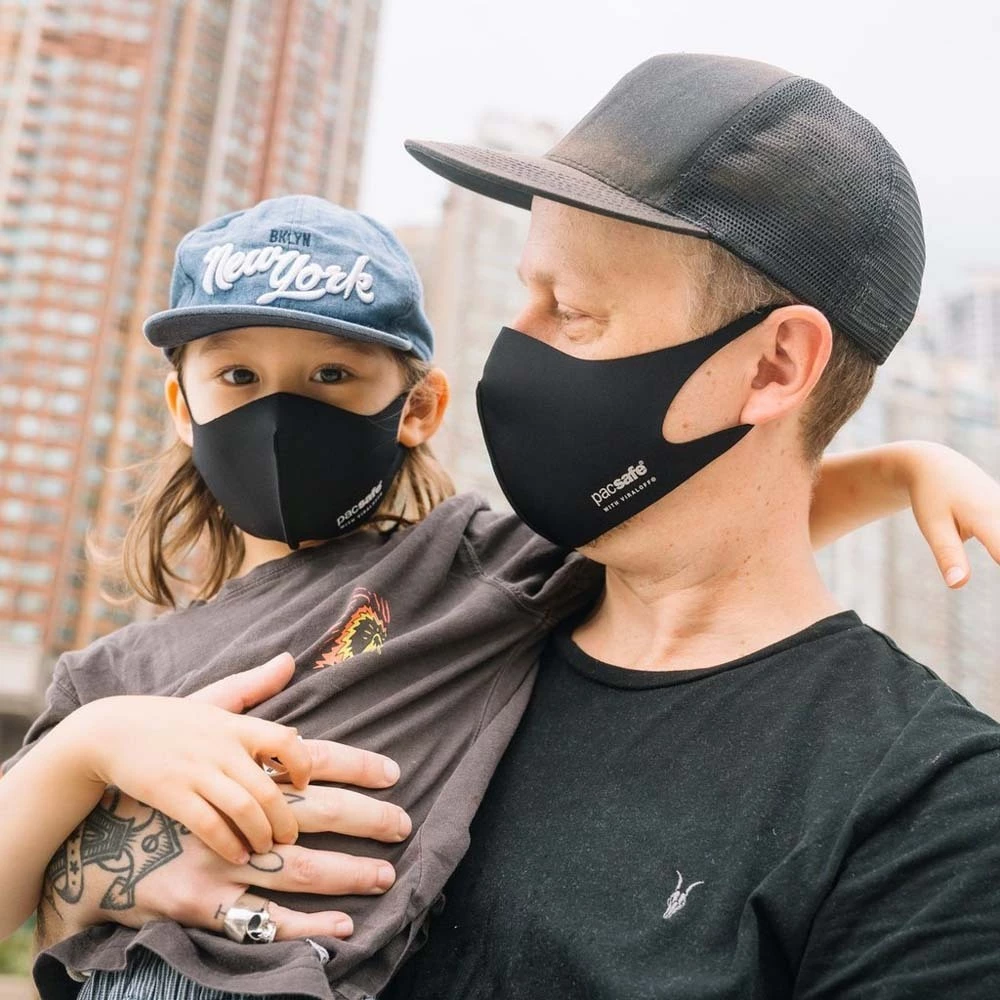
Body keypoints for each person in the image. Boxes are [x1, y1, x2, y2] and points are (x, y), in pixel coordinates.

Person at [5, 176, 1000, 1000]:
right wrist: (93, 746)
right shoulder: (111, 673)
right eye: (237, 378)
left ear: (416, 408)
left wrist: (900, 467)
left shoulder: (466, 568)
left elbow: (694, 525)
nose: (278, 414)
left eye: (331, 377)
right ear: (181, 404)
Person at [371, 53, 1000, 997]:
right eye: (525, 296)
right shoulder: (452, 623)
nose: (513, 351)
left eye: (572, 311)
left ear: (774, 366)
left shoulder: (927, 811)